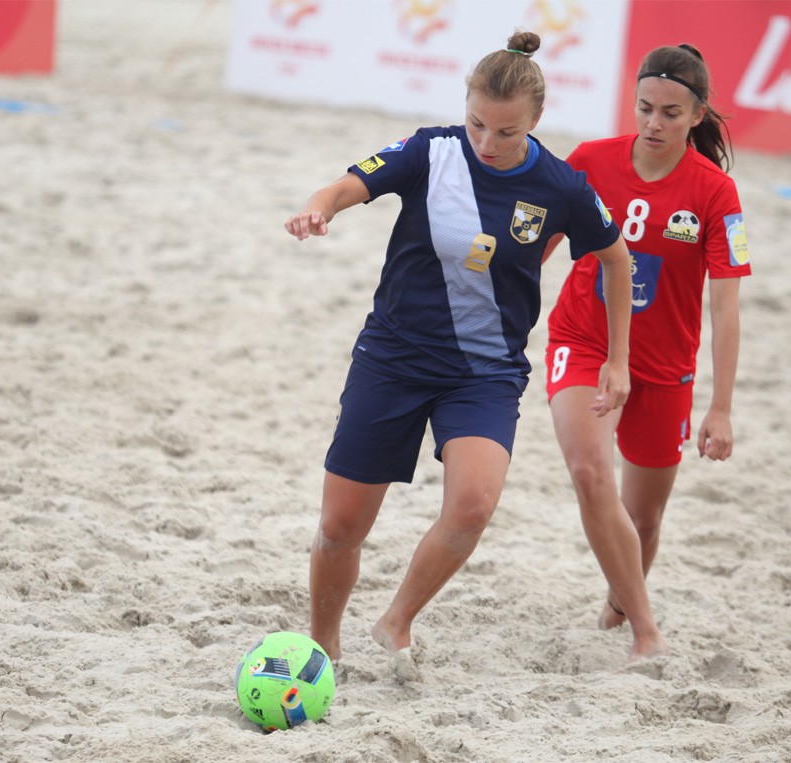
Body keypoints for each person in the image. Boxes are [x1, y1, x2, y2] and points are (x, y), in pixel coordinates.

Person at [284, 30, 650, 670]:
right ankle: (323, 642)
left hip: (484, 374)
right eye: (477, 123)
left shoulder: (561, 186)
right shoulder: (432, 150)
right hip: (393, 358)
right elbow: (347, 184)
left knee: (474, 505)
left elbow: (618, 260)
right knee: (340, 527)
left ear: (536, 121)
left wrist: (618, 359)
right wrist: (320, 208)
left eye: (506, 133)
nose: (486, 142)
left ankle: (397, 621)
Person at [544, 44, 752, 648]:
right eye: (644, 108)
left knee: (645, 519)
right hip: (584, 339)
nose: (654, 123)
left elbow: (726, 305)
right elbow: (537, 247)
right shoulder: (590, 160)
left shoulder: (715, 193)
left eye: (669, 112)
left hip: (665, 368)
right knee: (588, 470)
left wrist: (720, 407)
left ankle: (617, 607)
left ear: (697, 116)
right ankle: (645, 629)